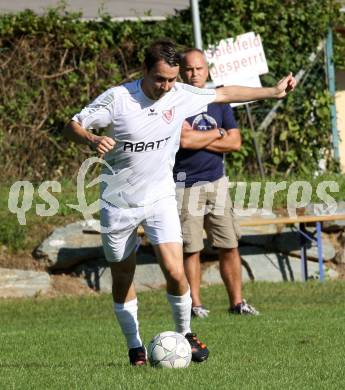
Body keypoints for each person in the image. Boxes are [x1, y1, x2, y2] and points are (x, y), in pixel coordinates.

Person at [63, 39, 296, 366]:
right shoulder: (118, 99)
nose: (167, 86)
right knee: (122, 277)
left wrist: (273, 92)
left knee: (175, 271)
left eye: (172, 79)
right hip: (118, 204)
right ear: (145, 71)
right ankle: (135, 346)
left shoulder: (180, 94)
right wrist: (91, 139)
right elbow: (72, 125)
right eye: (160, 79)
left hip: (160, 198)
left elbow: (225, 93)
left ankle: (185, 334)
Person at [174, 48, 258, 318]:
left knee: (229, 244)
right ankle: (195, 305)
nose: (194, 73)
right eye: (188, 69)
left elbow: (235, 142)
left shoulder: (218, 101)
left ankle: (237, 303)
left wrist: (203, 137)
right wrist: (218, 133)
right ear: (181, 72)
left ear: (207, 70)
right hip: (184, 185)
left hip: (217, 182)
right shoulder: (175, 100)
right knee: (191, 248)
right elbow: (184, 141)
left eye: (199, 68)